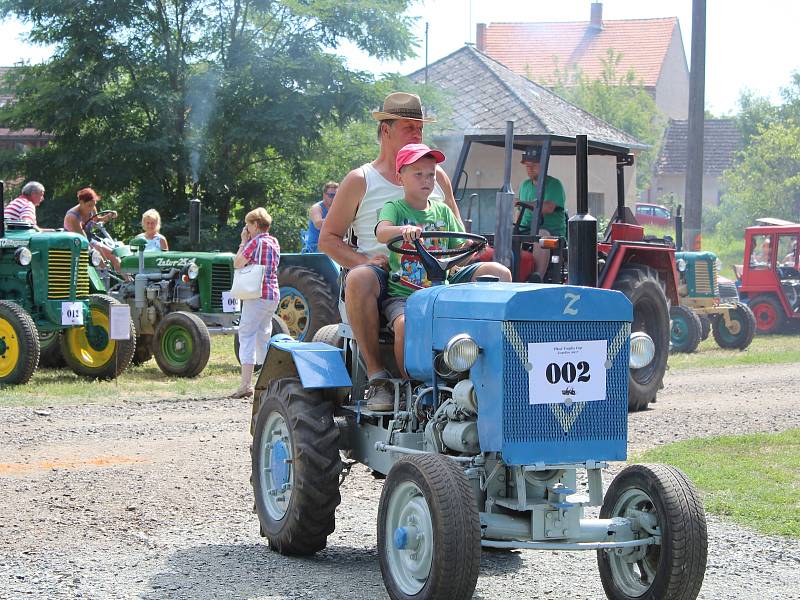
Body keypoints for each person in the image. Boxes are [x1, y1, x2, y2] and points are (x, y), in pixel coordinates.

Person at [318, 91, 463, 410]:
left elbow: (458, 232)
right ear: (386, 130)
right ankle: (379, 379)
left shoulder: (437, 176)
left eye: (420, 128)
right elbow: (327, 239)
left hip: (439, 271)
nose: (417, 133)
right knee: (359, 278)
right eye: (409, 127)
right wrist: (365, 260)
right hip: (386, 277)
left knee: (498, 275)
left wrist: (462, 256)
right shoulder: (360, 180)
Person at [374, 144, 510, 394]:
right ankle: (410, 384)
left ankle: (493, 362)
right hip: (406, 294)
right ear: (399, 177)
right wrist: (402, 231)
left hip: (444, 288)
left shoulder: (443, 210)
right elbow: (382, 232)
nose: (426, 180)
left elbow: (457, 252)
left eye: (431, 175)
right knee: (405, 324)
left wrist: (469, 247)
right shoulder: (395, 208)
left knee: (499, 271)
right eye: (418, 174)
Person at [231, 207, 280, 399]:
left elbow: (238, 263)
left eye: (248, 225)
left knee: (247, 334)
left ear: (256, 225)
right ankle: (268, 381)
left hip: (256, 294)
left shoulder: (255, 242)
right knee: (264, 336)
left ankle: (246, 384)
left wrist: (244, 242)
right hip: (272, 294)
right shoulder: (274, 241)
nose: (246, 228)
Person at [518, 147, 567, 281]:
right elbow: (519, 214)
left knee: (542, 235)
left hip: (551, 231)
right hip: (526, 229)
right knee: (505, 234)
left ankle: (537, 277)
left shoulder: (554, 184)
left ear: (544, 165)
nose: (530, 168)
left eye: (533, 165)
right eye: (527, 165)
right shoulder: (525, 185)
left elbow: (549, 207)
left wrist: (523, 203)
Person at [64, 187, 121, 271]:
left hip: (88, 239)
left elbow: (96, 220)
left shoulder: (92, 207)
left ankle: (129, 281)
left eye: (94, 204)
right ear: (81, 202)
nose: (92, 208)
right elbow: (83, 238)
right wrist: (96, 252)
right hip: (75, 243)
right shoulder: (72, 217)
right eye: (89, 205)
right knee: (100, 262)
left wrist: (109, 216)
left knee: (114, 256)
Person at [303, 181, 338, 253]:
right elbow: (318, 224)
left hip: (333, 245)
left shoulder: (339, 208)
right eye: (331, 195)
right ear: (324, 195)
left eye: (337, 195)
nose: (334, 198)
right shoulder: (316, 208)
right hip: (316, 248)